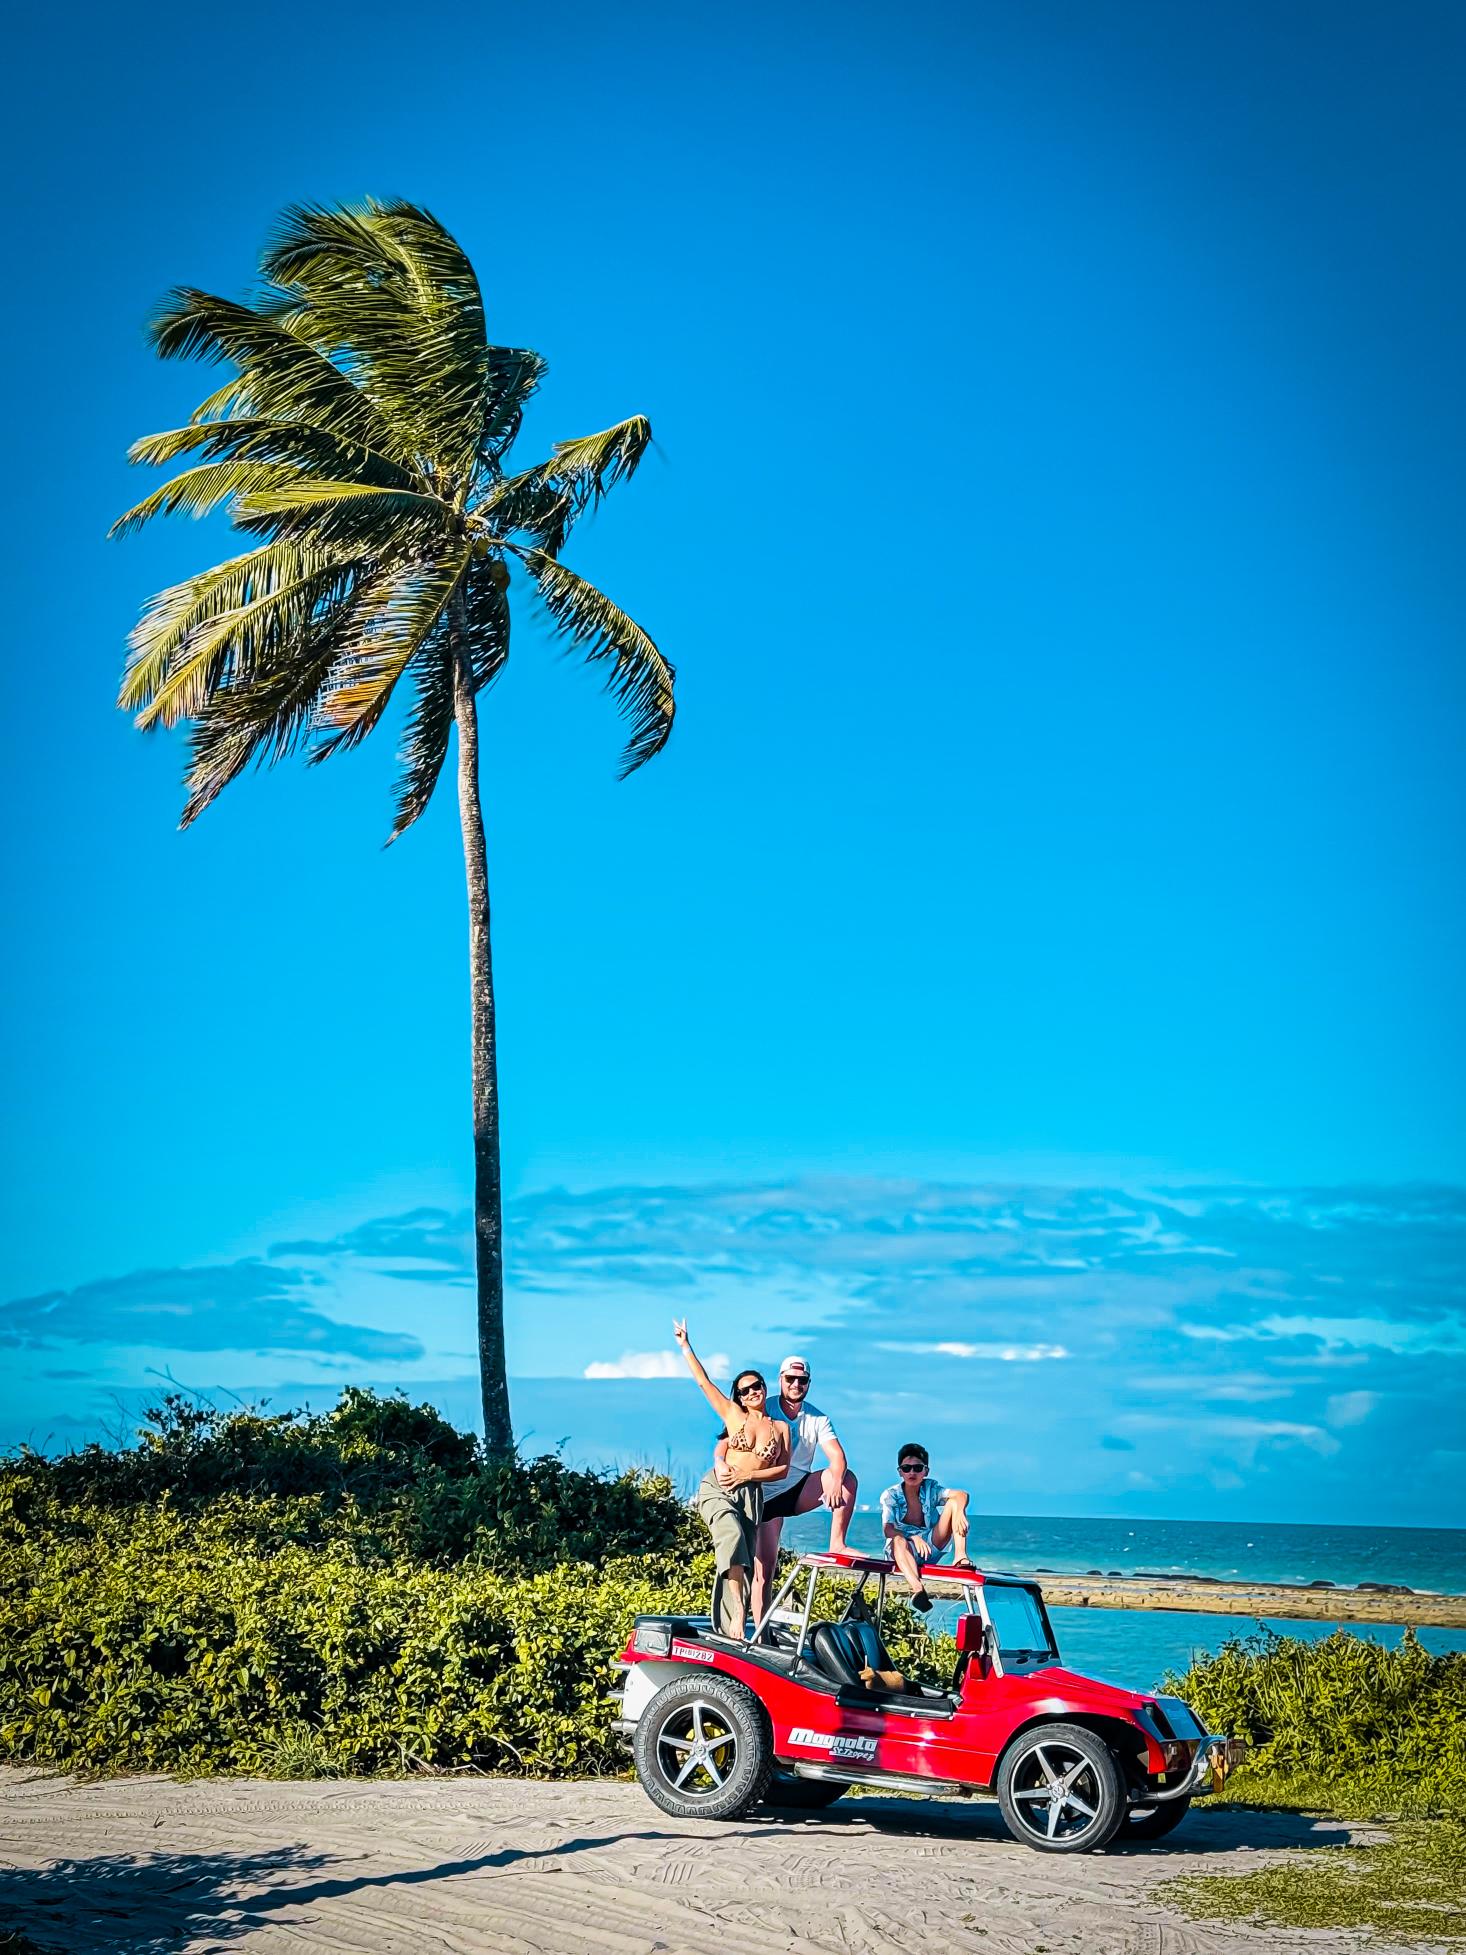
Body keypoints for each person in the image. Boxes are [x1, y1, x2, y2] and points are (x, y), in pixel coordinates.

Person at [672, 1320, 790, 1640]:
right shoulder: (733, 1415)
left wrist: (749, 1474)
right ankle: (737, 1611)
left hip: (751, 1495)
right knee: (731, 1533)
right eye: (745, 1390)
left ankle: (731, 1626)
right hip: (719, 1487)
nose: (752, 1392)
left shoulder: (781, 1429)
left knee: (743, 1557)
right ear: (739, 1396)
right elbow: (703, 1382)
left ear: (764, 1387)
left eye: (757, 1386)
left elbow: (782, 1469)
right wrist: (685, 1345)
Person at [749, 1355, 857, 1626]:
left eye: (802, 1380)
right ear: (780, 1380)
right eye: (790, 1379)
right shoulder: (764, 1408)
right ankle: (759, 1631)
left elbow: (837, 1456)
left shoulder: (818, 1418)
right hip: (762, 1496)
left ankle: (837, 1543)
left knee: (847, 1479)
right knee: (764, 1571)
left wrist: (835, 1479)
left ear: (809, 1383)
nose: (796, 1384)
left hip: (795, 1490)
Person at [878, 1442, 971, 1612]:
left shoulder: (931, 1489)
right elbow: (887, 1530)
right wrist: (913, 1537)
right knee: (898, 1539)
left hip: (930, 1545)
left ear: (925, 1471)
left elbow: (961, 1494)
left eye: (917, 1468)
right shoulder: (891, 1495)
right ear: (900, 1472)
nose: (912, 1472)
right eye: (906, 1468)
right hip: (903, 1550)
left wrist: (959, 1513)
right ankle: (918, 1590)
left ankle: (960, 1557)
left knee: (954, 1502)